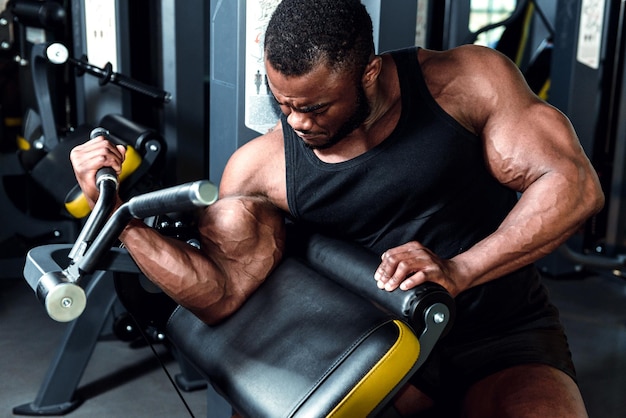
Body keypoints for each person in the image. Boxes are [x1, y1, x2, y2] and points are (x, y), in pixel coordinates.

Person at [69, 0, 603, 416]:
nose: (298, 122)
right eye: (285, 106)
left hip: (503, 335)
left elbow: (574, 186)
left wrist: (458, 271)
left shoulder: (465, 82)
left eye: (315, 106)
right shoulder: (263, 168)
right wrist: (118, 214)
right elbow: (220, 294)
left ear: (368, 73)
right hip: (371, 351)